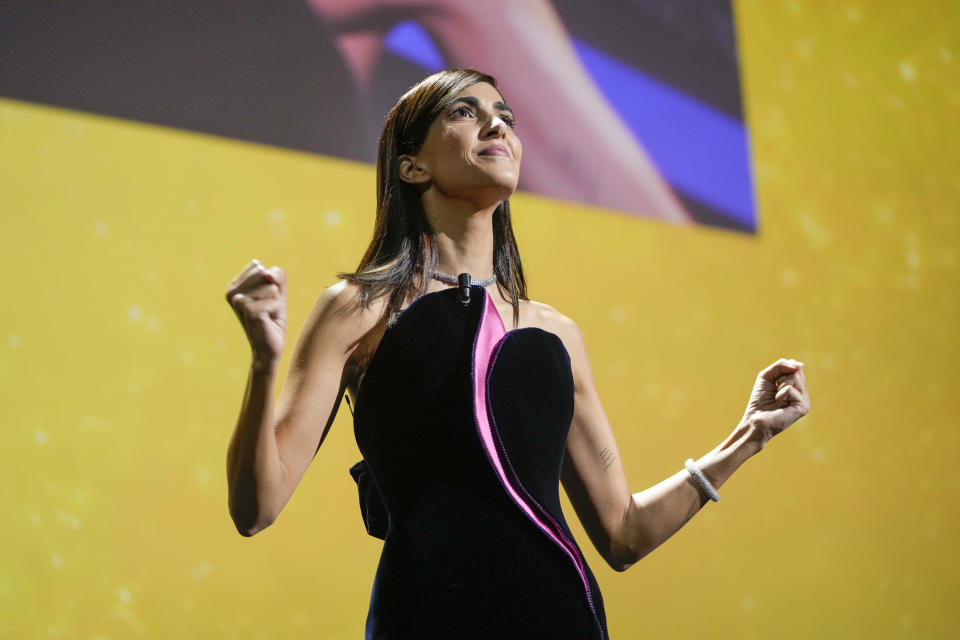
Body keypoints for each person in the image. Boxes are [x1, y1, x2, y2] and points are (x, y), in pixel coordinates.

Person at [225, 69, 810, 639]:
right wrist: (262, 363)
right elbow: (258, 507)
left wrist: (748, 436)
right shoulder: (360, 308)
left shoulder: (557, 334)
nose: (496, 125)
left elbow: (624, 534)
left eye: (505, 116)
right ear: (412, 165)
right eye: (465, 112)